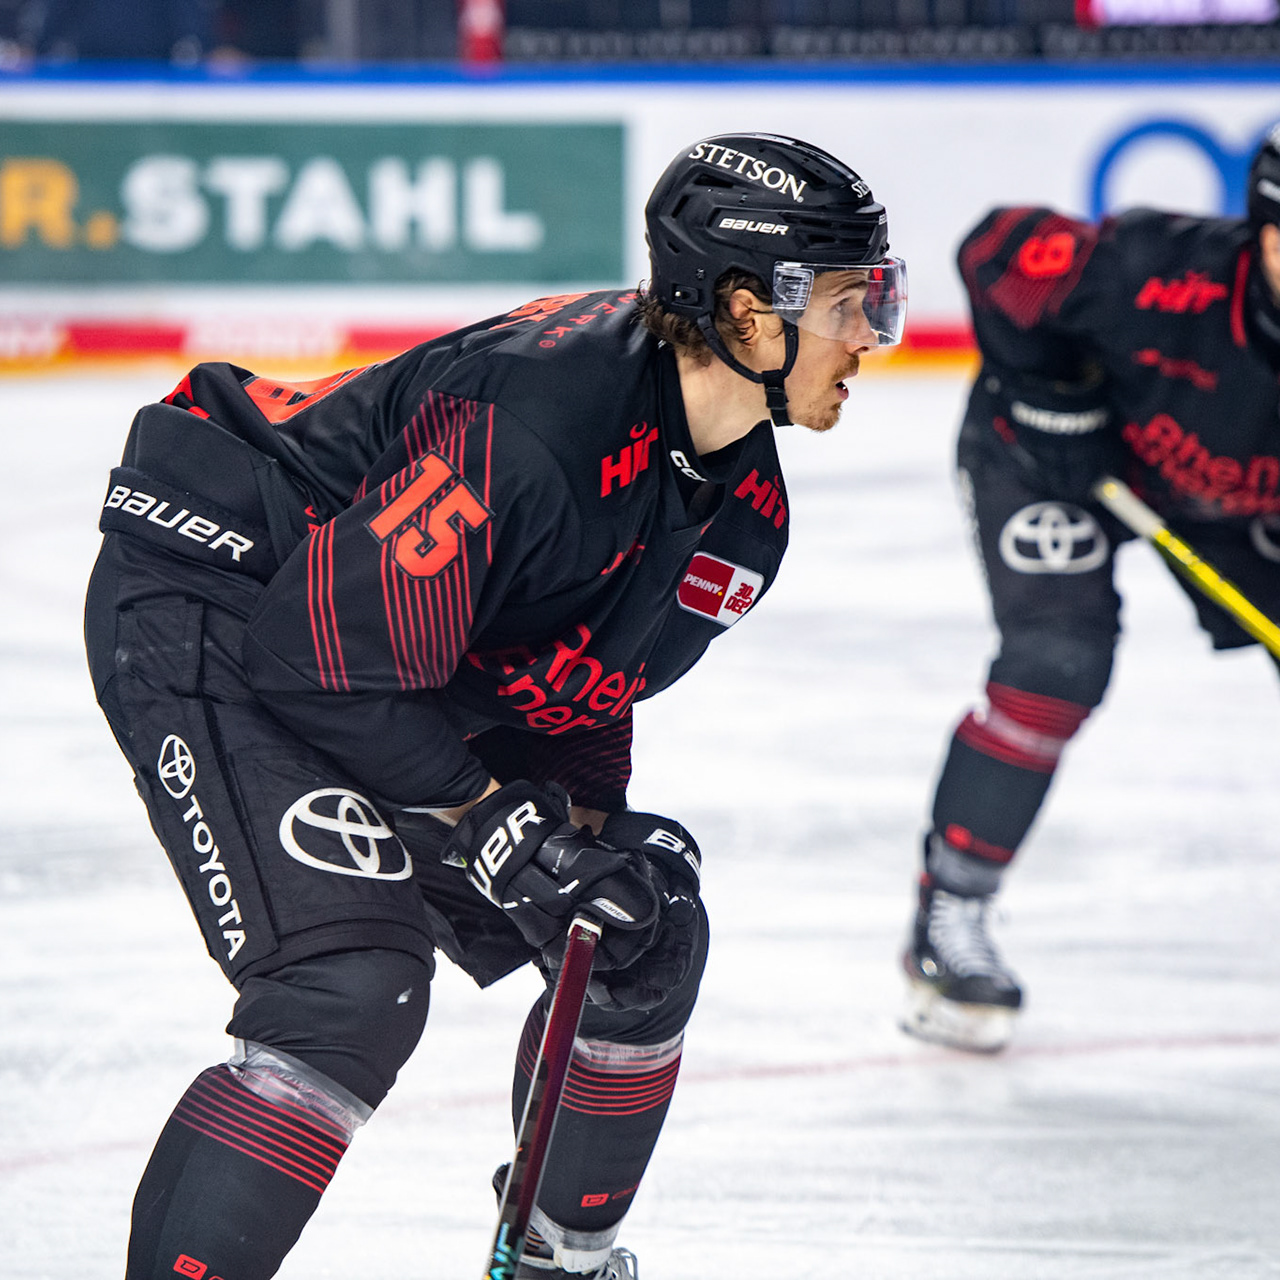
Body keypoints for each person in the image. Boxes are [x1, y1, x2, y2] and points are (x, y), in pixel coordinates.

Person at [86, 132, 906, 1279]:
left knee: (638, 930)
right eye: (847, 303)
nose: (871, 335)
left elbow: (572, 685)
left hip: (367, 641)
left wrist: (573, 843)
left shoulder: (743, 515)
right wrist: (485, 816)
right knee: (345, 984)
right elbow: (323, 658)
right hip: (221, 593)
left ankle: (558, 1260)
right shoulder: (534, 424)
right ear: (744, 310)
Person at [904, 119, 1280, 1053]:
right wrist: (1042, 389)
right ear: (1277, 241)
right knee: (1055, 664)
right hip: (1053, 464)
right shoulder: (1153, 268)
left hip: (1227, 492)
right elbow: (994, 248)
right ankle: (950, 914)